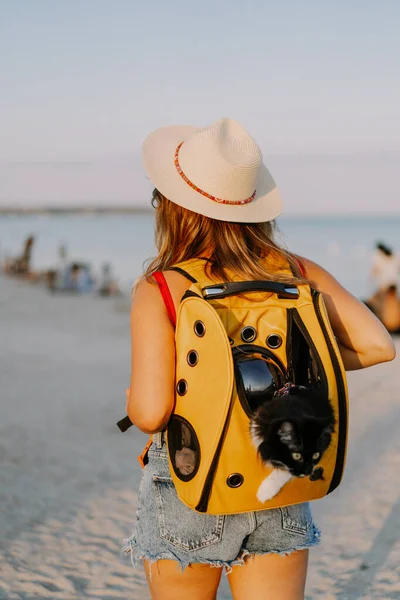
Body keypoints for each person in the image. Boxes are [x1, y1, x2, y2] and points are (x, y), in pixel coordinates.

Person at [125, 118, 395, 600]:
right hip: (278, 467)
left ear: (175, 210)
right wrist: (293, 368)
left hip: (192, 479)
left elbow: (151, 412)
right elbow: (379, 344)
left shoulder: (162, 288)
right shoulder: (297, 273)